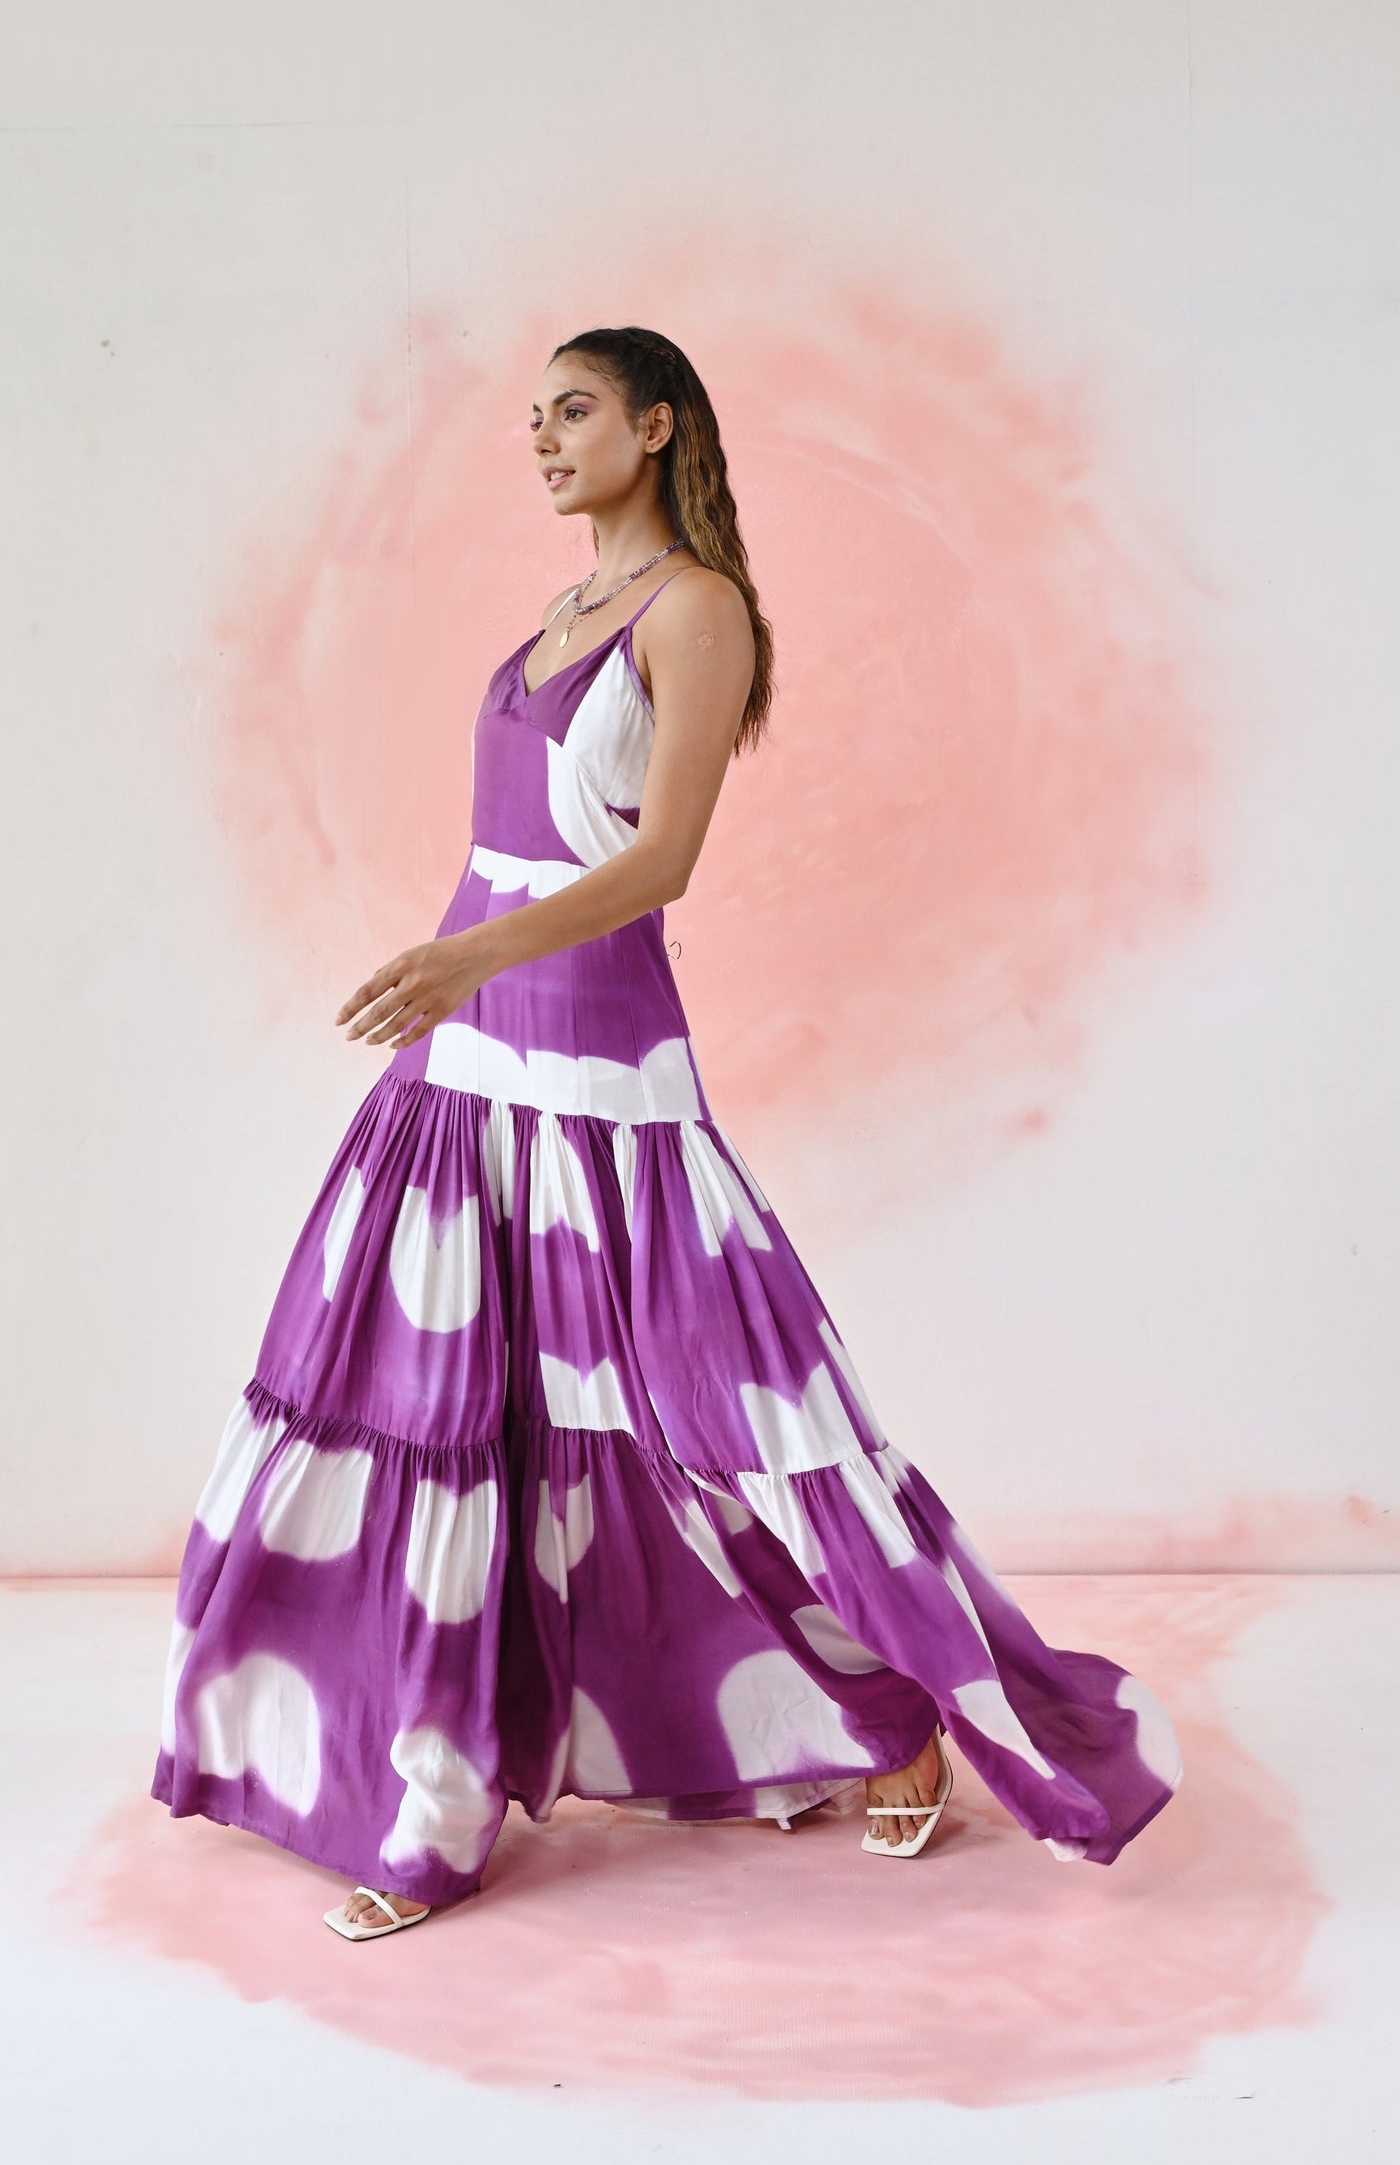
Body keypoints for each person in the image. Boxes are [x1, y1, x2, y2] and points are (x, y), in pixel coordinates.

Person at [151, 324, 1182, 1941]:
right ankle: (418, 1792)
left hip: (600, 1063)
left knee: (712, 1413)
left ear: (656, 423)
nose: (542, 438)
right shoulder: (558, 614)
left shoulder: (695, 611)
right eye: (531, 417)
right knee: (420, 1404)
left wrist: (469, 959)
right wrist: (447, 993)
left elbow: (663, 859)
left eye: (572, 410)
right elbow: (502, 851)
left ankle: (888, 1709)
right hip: (468, 1056)